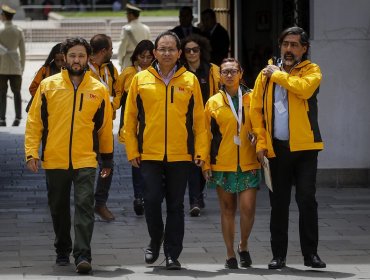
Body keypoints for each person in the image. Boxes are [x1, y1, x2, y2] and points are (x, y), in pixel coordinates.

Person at [25, 37, 113, 274]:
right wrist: (32, 152)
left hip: (85, 159)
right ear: (64, 58)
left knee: (85, 205)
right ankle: (62, 247)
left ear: (88, 58)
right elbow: (35, 122)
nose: (77, 60)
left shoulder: (98, 89)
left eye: (82, 56)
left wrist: (108, 158)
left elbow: (104, 128)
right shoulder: (48, 86)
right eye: (72, 55)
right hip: (54, 159)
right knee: (58, 207)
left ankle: (83, 255)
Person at [121, 31, 208, 270]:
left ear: (179, 53)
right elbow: (129, 119)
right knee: (150, 201)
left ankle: (172, 254)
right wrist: (132, 149)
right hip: (148, 153)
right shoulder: (140, 80)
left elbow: (200, 121)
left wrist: (200, 151)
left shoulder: (189, 81)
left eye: (172, 49)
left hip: (181, 154)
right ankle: (155, 238)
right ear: (154, 53)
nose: (167, 53)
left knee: (175, 205)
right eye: (162, 49)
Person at [249, 26, 326, 269]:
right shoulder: (265, 75)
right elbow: (256, 111)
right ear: (280, 46)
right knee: (278, 204)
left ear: (304, 49)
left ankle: (310, 254)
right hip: (277, 149)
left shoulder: (312, 70)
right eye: (285, 44)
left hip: (305, 149)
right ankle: (278, 255)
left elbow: (303, 89)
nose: (289, 49)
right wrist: (261, 142)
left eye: (294, 45)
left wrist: (278, 75)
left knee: (306, 200)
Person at [203, 58, 260, 269]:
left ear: (241, 73)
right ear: (220, 76)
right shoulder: (213, 102)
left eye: (233, 71)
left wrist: (259, 138)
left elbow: (262, 125)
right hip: (223, 163)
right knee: (227, 209)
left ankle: (243, 245)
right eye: (225, 71)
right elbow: (205, 135)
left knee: (248, 208)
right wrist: (205, 163)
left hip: (249, 161)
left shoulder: (253, 97)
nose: (228, 75)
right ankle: (230, 255)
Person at [180, 34, 220, 216]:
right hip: (187, 122)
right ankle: (194, 200)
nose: (191, 53)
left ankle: (199, 194)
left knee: (205, 158)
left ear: (201, 51)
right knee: (192, 161)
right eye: (188, 50)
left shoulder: (212, 70)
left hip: (210, 121)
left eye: (195, 49)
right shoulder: (180, 72)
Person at [118, 39, 154, 216]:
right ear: (136, 57)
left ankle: (151, 195)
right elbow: (117, 94)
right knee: (137, 162)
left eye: (149, 57)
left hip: (153, 126)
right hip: (134, 126)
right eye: (142, 56)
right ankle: (138, 196)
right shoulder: (128, 73)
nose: (146, 60)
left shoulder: (159, 74)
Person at [89, 33, 121, 222]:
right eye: (110, 48)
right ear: (103, 51)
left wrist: (113, 104)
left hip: (105, 128)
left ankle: (100, 203)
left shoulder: (110, 68)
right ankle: (85, 204)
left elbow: (118, 90)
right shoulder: (85, 68)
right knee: (85, 167)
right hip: (86, 127)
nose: (112, 51)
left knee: (107, 166)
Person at [0, 4, 25, 127]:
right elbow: (23, 52)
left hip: (2, 66)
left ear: (4, 16)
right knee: (17, 93)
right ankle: (18, 117)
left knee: (2, 93)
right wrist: (22, 68)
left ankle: (2, 118)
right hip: (16, 66)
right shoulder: (18, 30)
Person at [27, 43, 64, 112]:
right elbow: (33, 88)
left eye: (62, 60)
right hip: (46, 108)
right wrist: (43, 99)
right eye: (57, 60)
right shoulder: (45, 70)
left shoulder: (73, 71)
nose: (60, 64)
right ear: (53, 58)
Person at [117, 3, 150, 71]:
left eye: (128, 15)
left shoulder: (126, 29)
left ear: (131, 15)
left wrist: (120, 61)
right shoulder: (146, 28)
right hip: (143, 61)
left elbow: (122, 47)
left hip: (129, 61)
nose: (127, 17)